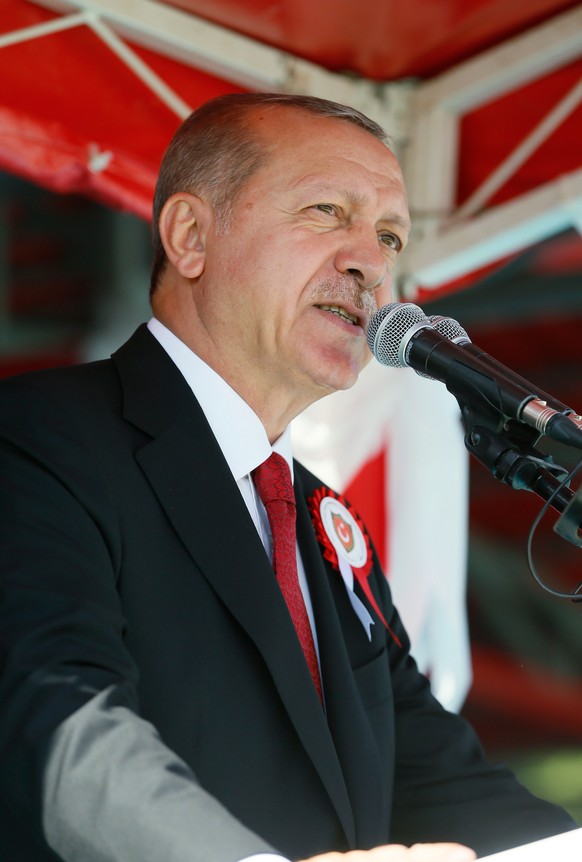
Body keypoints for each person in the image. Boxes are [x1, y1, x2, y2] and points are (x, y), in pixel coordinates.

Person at [0, 93, 575, 862]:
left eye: (388, 235)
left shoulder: (324, 524)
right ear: (190, 236)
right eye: (326, 211)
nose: (369, 262)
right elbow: (64, 727)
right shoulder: (37, 437)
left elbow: (444, 784)